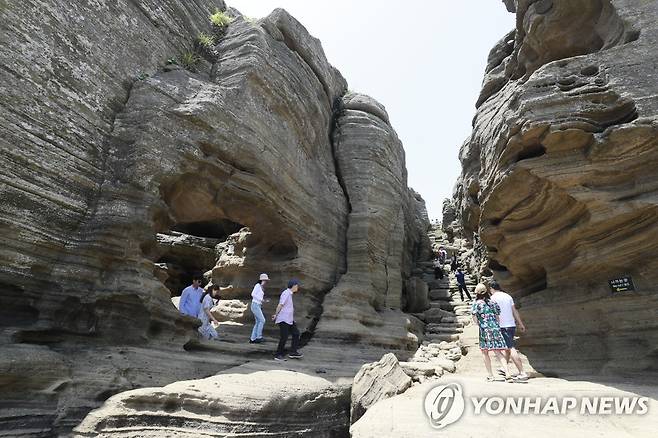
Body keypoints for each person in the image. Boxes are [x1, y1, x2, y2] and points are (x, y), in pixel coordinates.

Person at [489, 280, 529, 382]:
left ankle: (522, 372)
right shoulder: (508, 296)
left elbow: (492, 314)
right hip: (511, 325)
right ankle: (504, 368)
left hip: (502, 326)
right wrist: (520, 323)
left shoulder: (492, 298)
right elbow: (514, 311)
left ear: (491, 289)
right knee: (507, 347)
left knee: (510, 348)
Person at [471, 283, 511, 381]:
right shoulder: (492, 302)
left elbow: (475, 319)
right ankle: (507, 373)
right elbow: (498, 316)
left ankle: (490, 375)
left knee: (485, 352)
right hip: (495, 329)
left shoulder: (476, 304)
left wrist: (480, 324)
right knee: (498, 351)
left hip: (484, 330)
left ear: (477, 293)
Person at [272, 279, 303, 361]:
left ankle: (293, 352)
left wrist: (292, 319)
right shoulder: (286, 293)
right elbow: (280, 305)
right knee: (284, 337)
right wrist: (276, 315)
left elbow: (288, 307)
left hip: (289, 320)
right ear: (294, 285)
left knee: (296, 333)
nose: (298, 287)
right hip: (283, 319)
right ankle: (278, 355)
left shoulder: (290, 294)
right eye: (297, 285)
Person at [249, 273, 269, 344]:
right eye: (265, 280)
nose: (266, 281)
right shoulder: (257, 285)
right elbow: (253, 294)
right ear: (262, 280)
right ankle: (258, 337)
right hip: (255, 305)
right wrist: (262, 300)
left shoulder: (260, 286)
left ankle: (252, 338)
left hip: (257, 305)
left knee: (258, 322)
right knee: (262, 320)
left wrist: (263, 300)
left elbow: (258, 296)